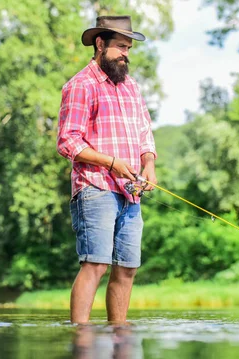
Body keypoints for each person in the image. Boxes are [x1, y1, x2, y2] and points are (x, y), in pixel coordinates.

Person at [57, 15, 157, 324]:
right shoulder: (79, 85)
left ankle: (119, 334)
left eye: (129, 47)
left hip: (131, 194)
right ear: (100, 44)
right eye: (120, 47)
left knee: (127, 268)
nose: (126, 53)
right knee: (96, 265)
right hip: (95, 188)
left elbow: (144, 130)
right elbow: (68, 142)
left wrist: (149, 163)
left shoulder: (130, 87)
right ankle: (81, 337)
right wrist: (111, 162)